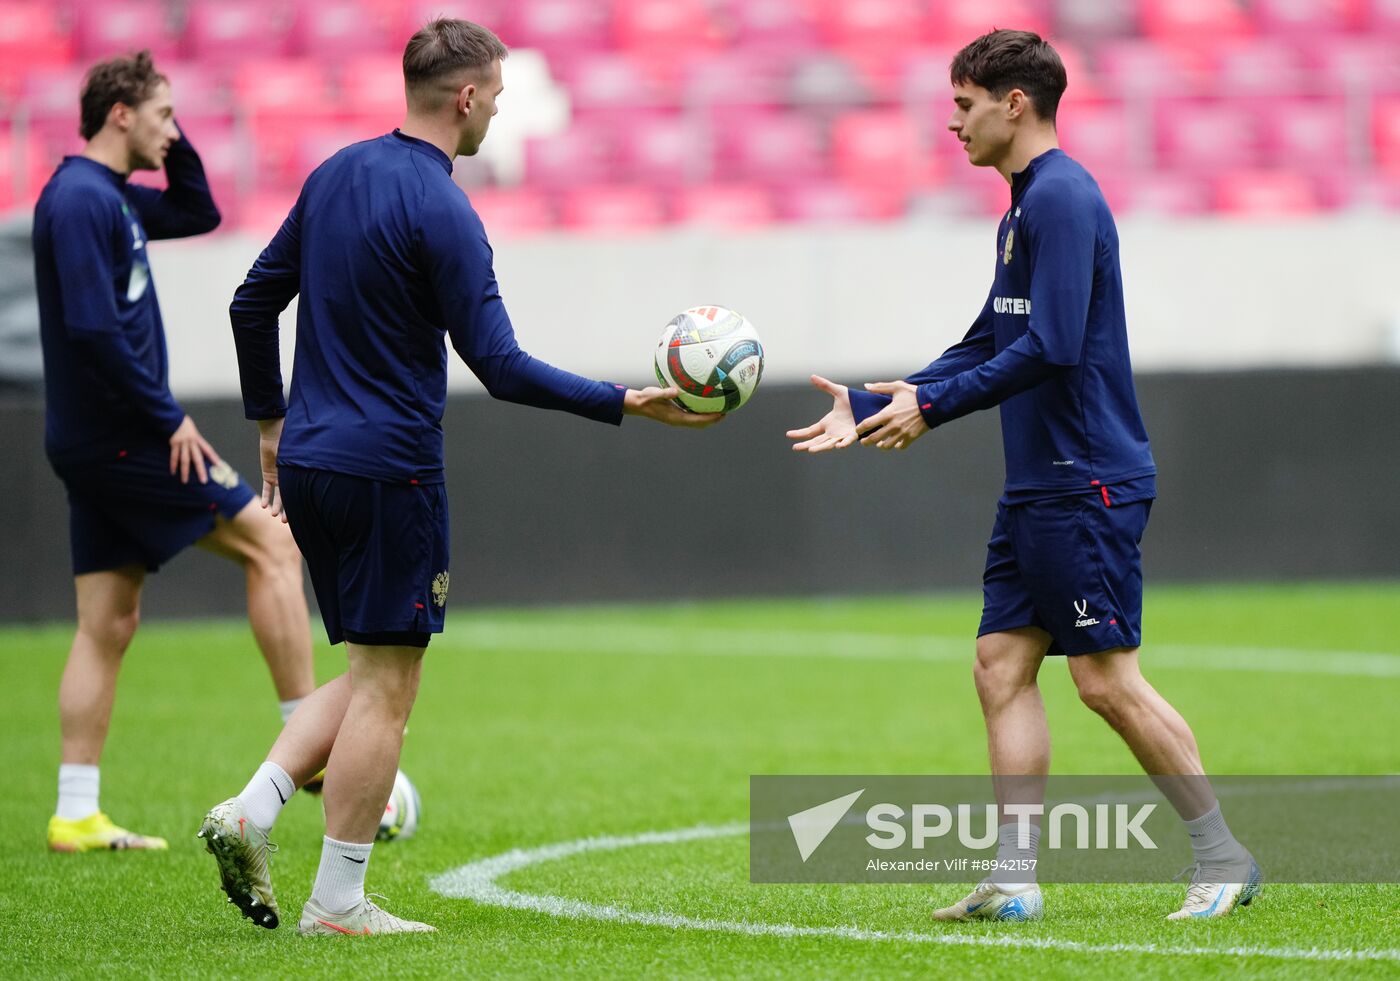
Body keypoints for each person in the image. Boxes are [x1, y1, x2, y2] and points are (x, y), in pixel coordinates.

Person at [199, 18, 718, 937]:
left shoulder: (333, 175)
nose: (496, 115)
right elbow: (504, 367)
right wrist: (625, 403)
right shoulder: (444, 210)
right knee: (391, 686)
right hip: (389, 473)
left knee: (368, 670)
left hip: (312, 464)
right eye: (499, 99)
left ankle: (254, 806)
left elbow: (251, 301)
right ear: (467, 97)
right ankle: (339, 901)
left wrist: (269, 423)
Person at [787, 30, 1260, 922]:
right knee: (1001, 665)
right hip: (1040, 483)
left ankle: (1223, 856)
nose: (952, 122)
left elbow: (1052, 346)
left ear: (1013, 104)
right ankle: (1013, 877)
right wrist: (877, 396)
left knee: (1105, 680)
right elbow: (989, 337)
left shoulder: (1064, 199)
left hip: (1086, 481)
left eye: (963, 104)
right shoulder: (1023, 206)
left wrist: (933, 409)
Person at [33, 52, 316, 854]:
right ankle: (313, 745)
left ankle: (76, 811)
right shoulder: (82, 201)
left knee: (107, 621)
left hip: (94, 441)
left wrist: (171, 135)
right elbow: (92, 330)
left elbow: (198, 210)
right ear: (119, 114)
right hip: (126, 438)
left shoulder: (106, 195)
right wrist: (167, 419)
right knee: (273, 541)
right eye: (162, 116)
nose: (173, 129)